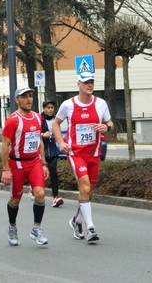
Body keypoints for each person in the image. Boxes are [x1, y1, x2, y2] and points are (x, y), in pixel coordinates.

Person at [52, 72, 113, 242]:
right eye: (86, 82)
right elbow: (56, 123)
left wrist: (106, 127)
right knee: (84, 188)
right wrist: (61, 142)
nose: (90, 85)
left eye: (92, 82)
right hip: (75, 153)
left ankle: (76, 221)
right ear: (78, 84)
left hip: (94, 153)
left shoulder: (100, 104)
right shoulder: (68, 105)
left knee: (89, 191)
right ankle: (91, 228)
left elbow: (110, 123)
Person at [0, 87, 49, 246]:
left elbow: (39, 140)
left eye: (30, 96)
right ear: (17, 100)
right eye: (24, 97)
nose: (28, 99)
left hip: (34, 162)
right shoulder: (13, 120)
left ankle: (36, 229)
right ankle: (12, 227)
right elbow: (4, 145)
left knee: (40, 194)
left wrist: (43, 163)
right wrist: (6, 169)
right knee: (15, 199)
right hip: (17, 163)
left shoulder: (37, 117)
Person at [41, 99, 64, 207]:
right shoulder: (39, 119)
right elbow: (33, 133)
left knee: (54, 174)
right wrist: (42, 135)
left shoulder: (56, 120)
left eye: (52, 108)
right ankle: (36, 191)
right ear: (44, 109)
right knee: (42, 175)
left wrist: (60, 137)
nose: (50, 110)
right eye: (48, 108)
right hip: (42, 152)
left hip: (53, 151)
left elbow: (58, 132)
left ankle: (56, 197)